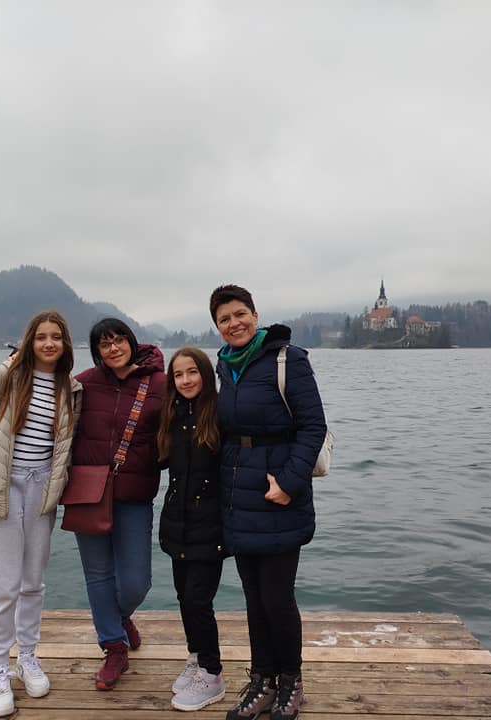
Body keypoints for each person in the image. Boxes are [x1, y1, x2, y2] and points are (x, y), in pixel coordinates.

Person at [209, 285, 327, 720]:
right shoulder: (225, 366)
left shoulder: (287, 360)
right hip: (239, 496)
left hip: (279, 495)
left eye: (240, 314)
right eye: (224, 319)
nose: (234, 323)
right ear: (217, 327)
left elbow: (313, 427)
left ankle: (291, 681)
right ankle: (262, 680)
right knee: (253, 598)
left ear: (255, 315)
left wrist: (290, 484)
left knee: (277, 598)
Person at [0, 310, 82, 717]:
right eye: (41, 336)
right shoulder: (7, 375)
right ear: (30, 340)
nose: (49, 343)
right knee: (3, 587)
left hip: (42, 490)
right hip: (3, 487)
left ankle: (27, 656)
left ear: (65, 344)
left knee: (33, 583)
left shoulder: (71, 388)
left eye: (56, 337)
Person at [71, 318, 166, 690]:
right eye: (104, 344)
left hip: (135, 493)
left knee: (136, 582)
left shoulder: (159, 384)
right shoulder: (83, 383)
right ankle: (113, 647)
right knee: (97, 574)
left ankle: (120, 616)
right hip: (87, 491)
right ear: (97, 351)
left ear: (132, 341)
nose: (113, 348)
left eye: (119, 340)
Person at [157, 347, 226, 712]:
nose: (185, 380)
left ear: (205, 374)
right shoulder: (172, 415)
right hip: (177, 523)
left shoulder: (220, 413)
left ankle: (212, 674)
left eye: (192, 372)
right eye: (178, 374)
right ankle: (196, 657)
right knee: (184, 596)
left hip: (211, 525)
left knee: (199, 600)